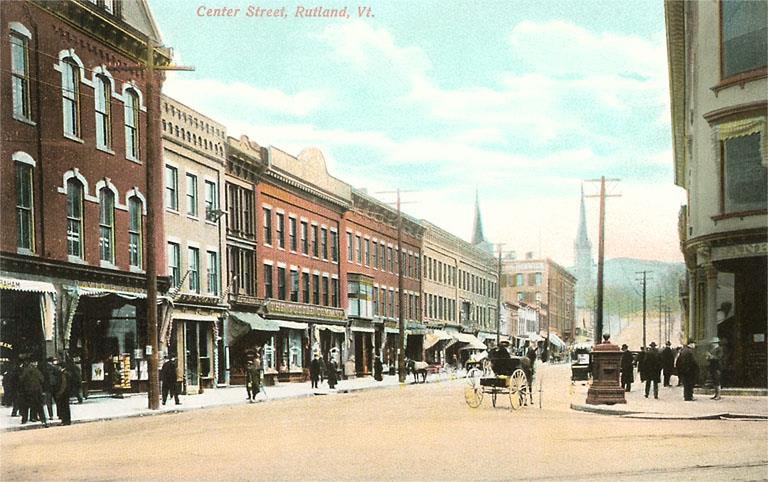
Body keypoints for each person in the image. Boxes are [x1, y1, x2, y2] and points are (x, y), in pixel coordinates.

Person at [18, 357, 47, 427]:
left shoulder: (25, 370)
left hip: (28, 391)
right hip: (37, 391)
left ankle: (24, 420)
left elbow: (21, 379)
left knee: (26, 406)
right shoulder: (36, 370)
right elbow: (42, 379)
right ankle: (43, 420)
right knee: (39, 406)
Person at [52, 360, 71, 425]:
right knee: (66, 407)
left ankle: (65, 421)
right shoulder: (66, 373)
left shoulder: (63, 374)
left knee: (63, 407)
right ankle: (66, 420)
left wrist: (60, 393)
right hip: (66, 392)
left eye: (57, 366)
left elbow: (63, 384)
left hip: (63, 393)